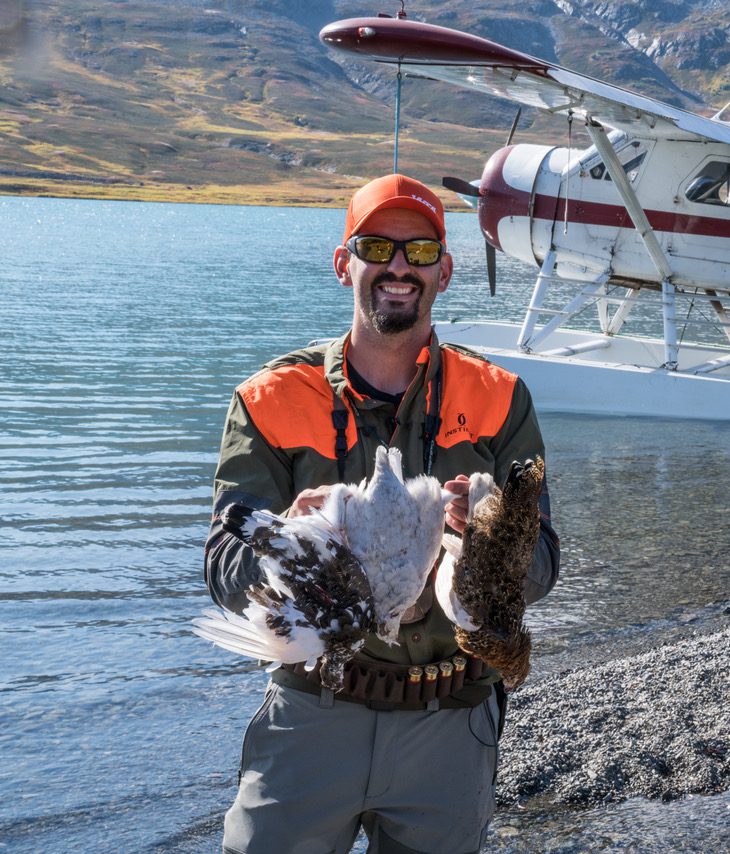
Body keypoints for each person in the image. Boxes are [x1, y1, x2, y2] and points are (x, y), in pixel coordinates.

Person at [203, 173, 560, 854]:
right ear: (345, 265)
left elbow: (543, 564)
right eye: (377, 247)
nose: (399, 267)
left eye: (420, 252)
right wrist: (289, 548)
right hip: (312, 716)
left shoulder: (500, 399)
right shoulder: (270, 399)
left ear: (445, 271)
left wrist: (484, 538)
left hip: (448, 729)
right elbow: (224, 566)